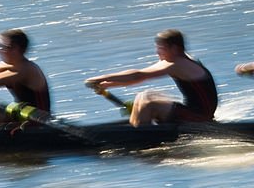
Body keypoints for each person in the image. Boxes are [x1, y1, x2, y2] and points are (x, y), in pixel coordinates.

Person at [85, 29, 217, 127]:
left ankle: (137, 134)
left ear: (175, 48)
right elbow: (139, 77)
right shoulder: (173, 60)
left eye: (161, 48)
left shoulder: (179, 64)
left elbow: (138, 74)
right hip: (191, 112)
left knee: (150, 105)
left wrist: (100, 78)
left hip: (200, 117)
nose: (157, 52)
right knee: (145, 95)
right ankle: (136, 127)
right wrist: (107, 84)